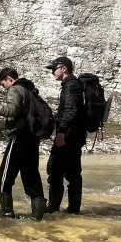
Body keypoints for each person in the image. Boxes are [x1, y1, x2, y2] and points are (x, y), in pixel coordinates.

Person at [0, 67, 46, 220]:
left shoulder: (16, 89)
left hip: (19, 137)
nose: (3, 87)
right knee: (31, 176)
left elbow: (11, 110)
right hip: (33, 137)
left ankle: (7, 214)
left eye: (3, 83)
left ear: (10, 78)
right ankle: (37, 217)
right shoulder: (30, 90)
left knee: (5, 175)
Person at [45, 56, 85, 214]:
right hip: (73, 135)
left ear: (64, 68)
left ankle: (53, 208)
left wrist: (61, 132)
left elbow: (71, 110)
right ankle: (73, 210)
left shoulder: (71, 85)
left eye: (54, 69)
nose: (52, 72)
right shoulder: (71, 84)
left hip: (69, 136)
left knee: (54, 169)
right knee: (72, 172)